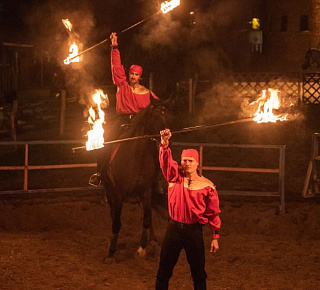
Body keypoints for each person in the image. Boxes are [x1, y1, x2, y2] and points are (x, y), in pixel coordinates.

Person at [156, 128, 221, 290]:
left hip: (194, 232)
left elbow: (213, 213)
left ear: (197, 163)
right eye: (184, 160)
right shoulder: (174, 177)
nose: (187, 163)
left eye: (191, 161)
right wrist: (164, 144)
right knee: (163, 272)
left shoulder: (207, 185)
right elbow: (166, 162)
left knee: (198, 273)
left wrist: (215, 236)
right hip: (174, 230)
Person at [109, 32, 158, 127]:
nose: (133, 76)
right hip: (122, 122)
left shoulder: (148, 93)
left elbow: (159, 107)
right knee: (108, 138)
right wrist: (114, 46)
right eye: (132, 74)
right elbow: (116, 65)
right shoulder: (122, 85)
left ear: (139, 77)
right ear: (129, 74)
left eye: (136, 75)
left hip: (140, 124)